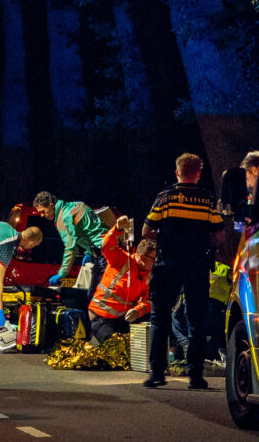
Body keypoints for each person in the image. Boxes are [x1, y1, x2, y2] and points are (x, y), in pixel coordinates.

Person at [143, 154, 227, 389]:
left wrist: (167, 238)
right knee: (196, 321)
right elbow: (219, 236)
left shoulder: (165, 199)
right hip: (197, 266)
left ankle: (157, 374)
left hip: (168, 265)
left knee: (159, 319)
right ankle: (196, 376)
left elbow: (146, 231)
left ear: (177, 172)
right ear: (198, 173)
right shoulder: (207, 201)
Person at [87, 214, 153, 341]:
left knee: (136, 346)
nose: (155, 263)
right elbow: (106, 246)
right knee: (116, 348)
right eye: (153, 259)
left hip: (122, 319)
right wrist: (117, 229)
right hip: (101, 317)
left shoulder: (146, 275)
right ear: (143, 258)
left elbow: (149, 301)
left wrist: (137, 311)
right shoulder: (122, 259)